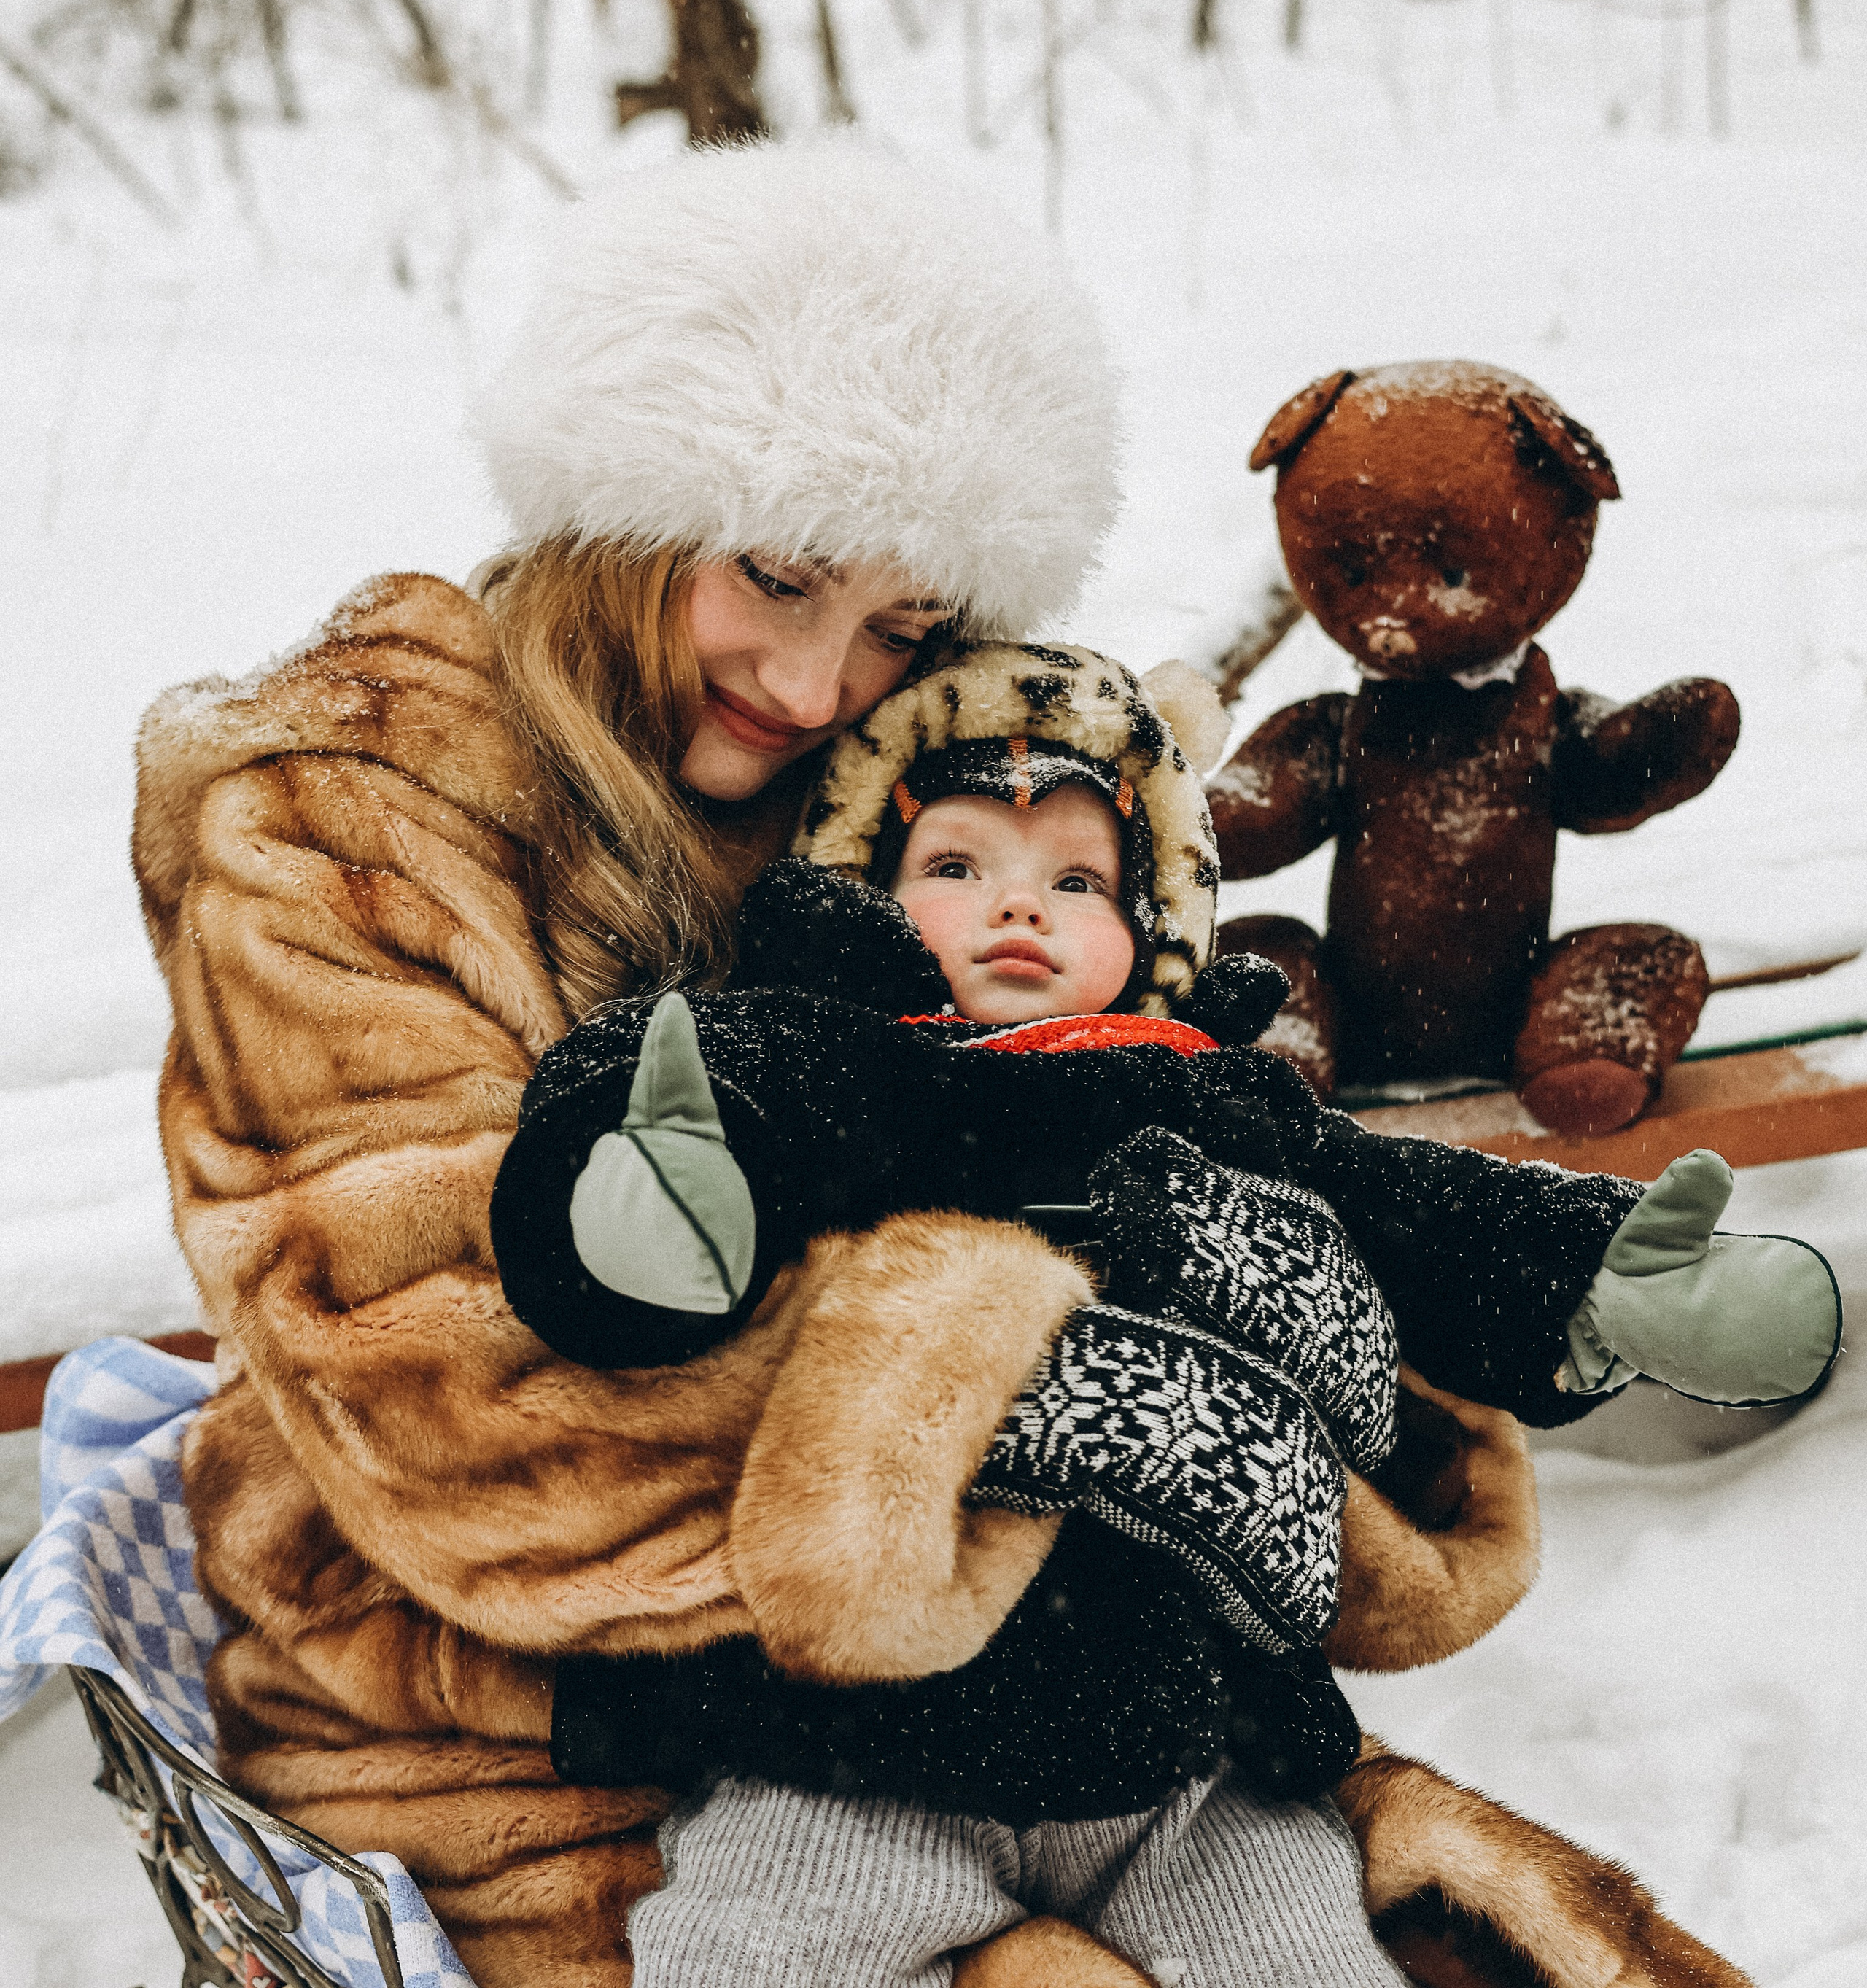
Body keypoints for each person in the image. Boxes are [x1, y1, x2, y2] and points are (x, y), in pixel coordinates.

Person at [131, 139, 1767, 1988]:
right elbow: (446, 1396)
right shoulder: (346, 819)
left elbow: (1133, 1127)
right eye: (777, 575)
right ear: (620, 505)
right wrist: (1061, 1384)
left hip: (1060, 1666)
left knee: (1531, 1959)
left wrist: (1335, 1327)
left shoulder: (905, 794)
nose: (821, 679)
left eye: (902, 620)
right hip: (518, 1719)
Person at [492, 638, 1838, 1988]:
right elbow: (656, 1097)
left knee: (1307, 1957)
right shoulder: (833, 1051)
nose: (1017, 909)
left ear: (1153, 924)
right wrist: (642, 1203)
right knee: (747, 1955)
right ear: (865, 892)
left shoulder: (1217, 1101)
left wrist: (1596, 1280)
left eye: (1074, 881)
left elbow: (1413, 1212)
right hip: (849, 1756)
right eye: (956, 867)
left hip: (1185, 1763)